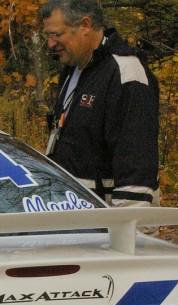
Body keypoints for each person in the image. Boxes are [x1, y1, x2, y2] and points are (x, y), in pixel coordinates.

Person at [41, 0, 160, 208]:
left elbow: (136, 167)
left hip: (109, 226)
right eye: (48, 36)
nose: (51, 44)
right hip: (74, 215)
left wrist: (128, 235)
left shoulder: (126, 73)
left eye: (56, 34)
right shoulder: (73, 70)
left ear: (85, 25)